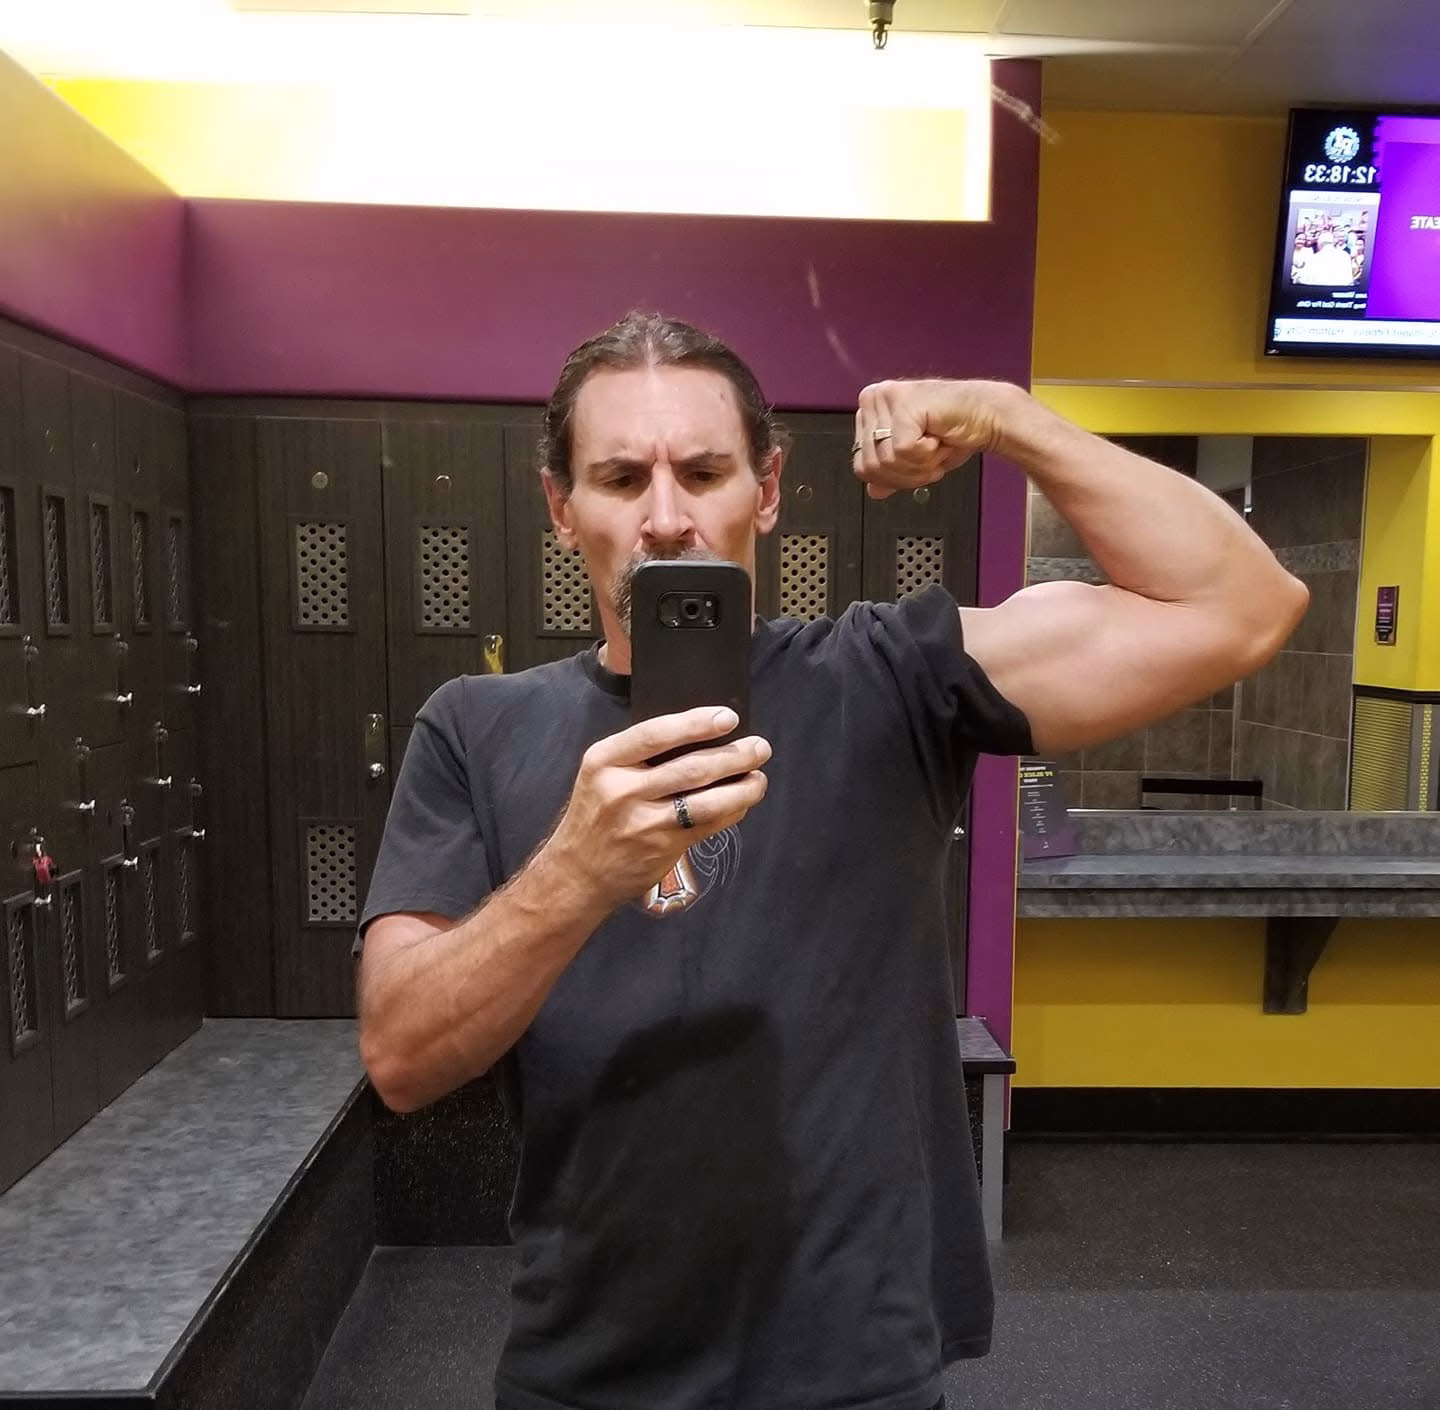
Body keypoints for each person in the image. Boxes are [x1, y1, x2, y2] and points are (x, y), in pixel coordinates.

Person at [356, 312, 1307, 1410]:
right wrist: (573, 874)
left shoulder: (889, 676)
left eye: (703, 472)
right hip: (589, 1371)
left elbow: (1244, 608)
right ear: (561, 507)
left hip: (857, 1368)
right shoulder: (474, 728)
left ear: (766, 488)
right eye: (619, 479)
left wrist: (1009, 416)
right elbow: (402, 1056)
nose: (666, 518)